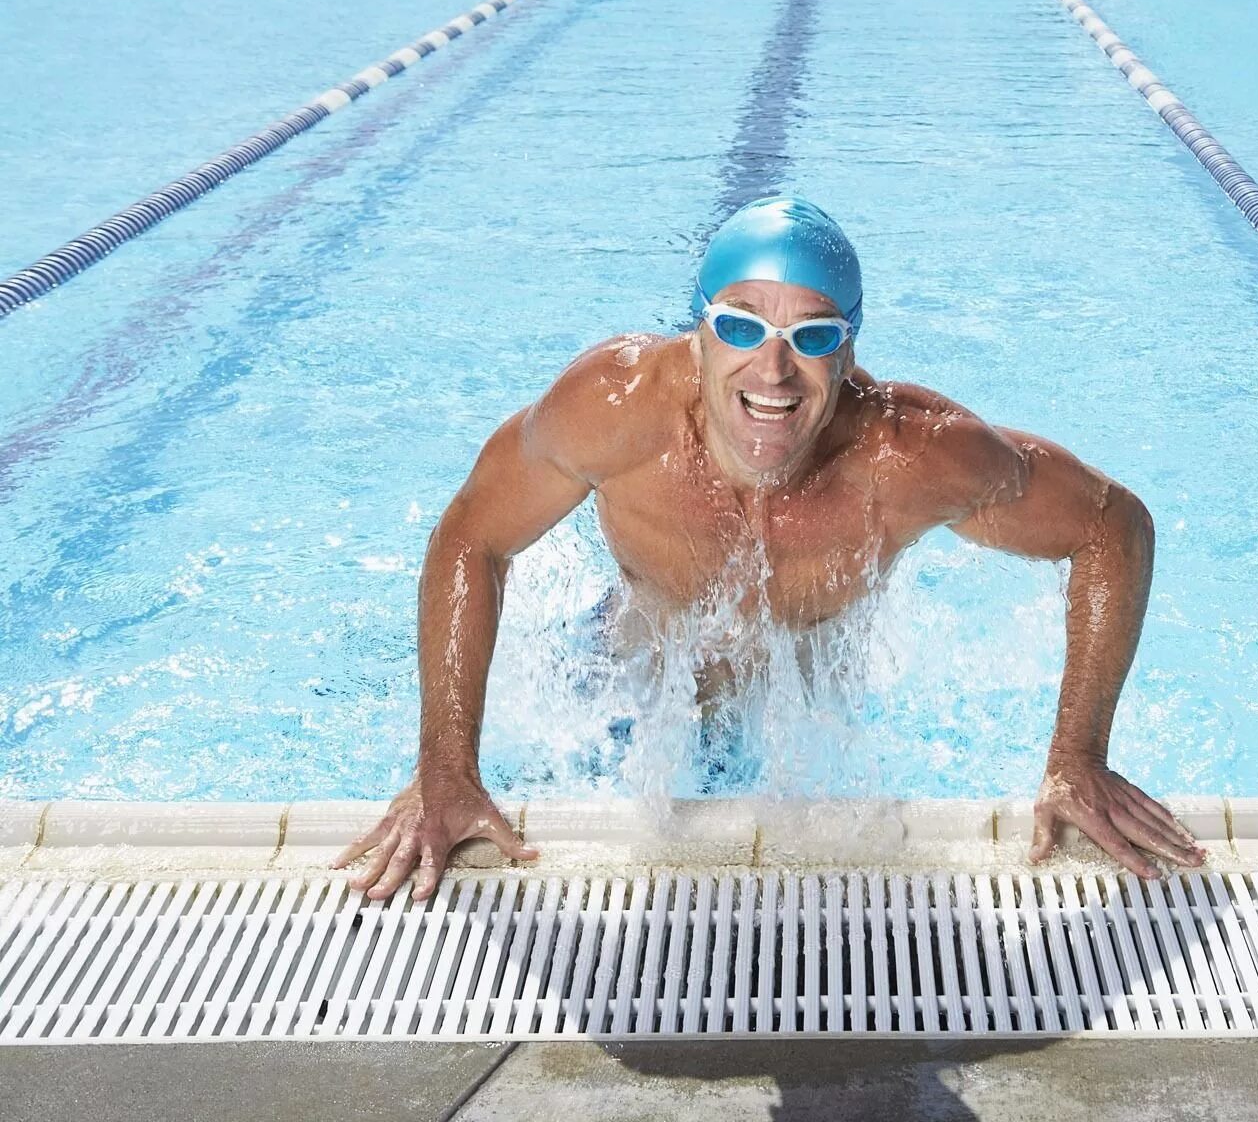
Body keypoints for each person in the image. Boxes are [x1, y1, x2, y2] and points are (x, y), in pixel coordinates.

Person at [336, 195, 1206, 900]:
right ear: (699, 332)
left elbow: (1110, 526)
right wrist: (445, 769)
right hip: (634, 662)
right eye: (743, 327)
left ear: (851, 349)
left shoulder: (911, 456)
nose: (774, 372)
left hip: (812, 686)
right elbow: (472, 539)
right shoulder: (613, 410)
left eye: (813, 337)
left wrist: (1078, 758)